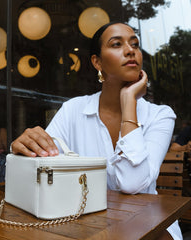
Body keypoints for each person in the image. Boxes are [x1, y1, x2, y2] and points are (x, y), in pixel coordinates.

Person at [11, 22, 181, 240]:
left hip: (148, 226)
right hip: (83, 223)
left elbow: (132, 183)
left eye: (135, 45)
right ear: (97, 62)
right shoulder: (73, 109)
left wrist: (128, 100)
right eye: (117, 44)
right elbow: (45, 164)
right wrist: (27, 148)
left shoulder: (161, 115)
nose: (131, 50)